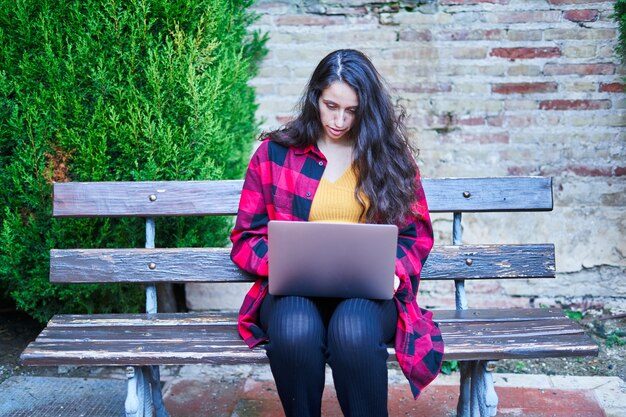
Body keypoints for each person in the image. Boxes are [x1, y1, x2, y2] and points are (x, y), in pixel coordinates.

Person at [230, 49, 443, 417]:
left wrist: (393, 270)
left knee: (352, 330)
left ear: (367, 109)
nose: (340, 120)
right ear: (315, 97)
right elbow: (246, 237)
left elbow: (416, 236)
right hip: (292, 292)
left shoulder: (388, 158)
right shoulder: (275, 155)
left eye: (352, 111)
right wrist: (284, 263)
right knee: (295, 329)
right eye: (331, 106)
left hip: (367, 297)